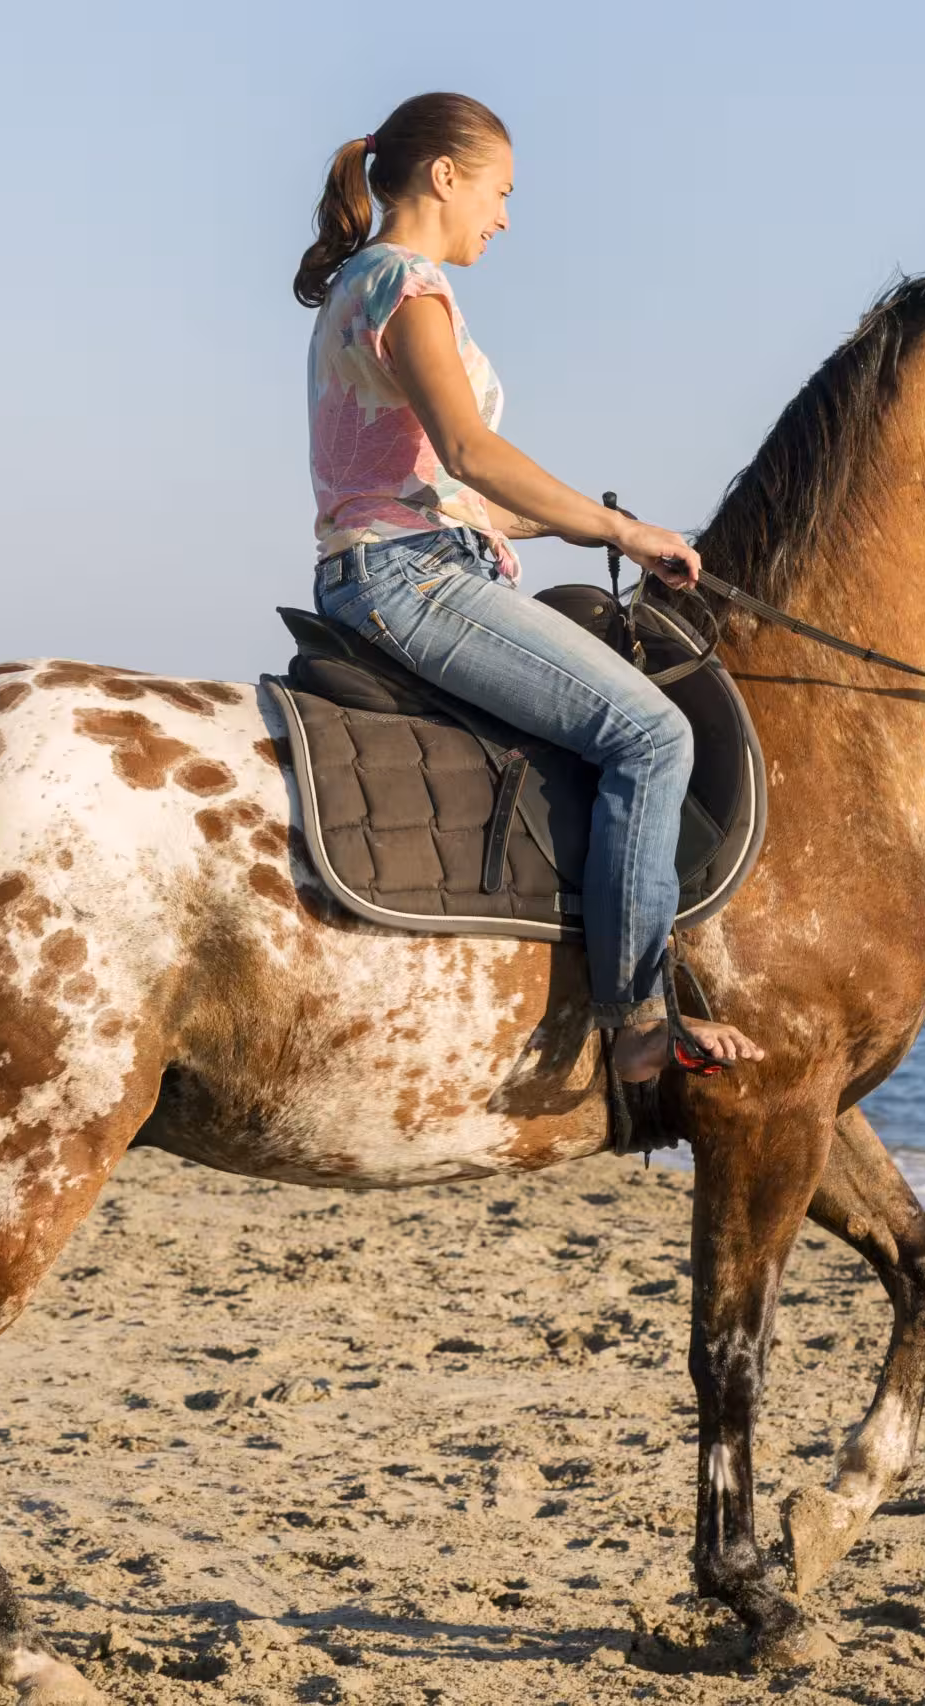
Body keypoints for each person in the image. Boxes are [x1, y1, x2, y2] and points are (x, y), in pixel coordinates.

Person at [294, 91, 762, 1084]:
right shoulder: (408, 284)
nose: (503, 217)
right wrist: (618, 528)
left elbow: (461, 492)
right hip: (406, 574)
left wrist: (586, 523)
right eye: (499, 192)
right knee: (651, 733)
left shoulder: (360, 283)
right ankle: (635, 1014)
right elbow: (469, 451)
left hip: (401, 558)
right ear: (444, 176)